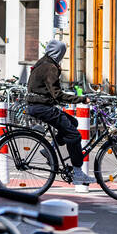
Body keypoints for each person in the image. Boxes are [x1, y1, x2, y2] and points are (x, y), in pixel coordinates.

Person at [25, 40, 93, 186]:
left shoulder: (42, 63)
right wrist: (81, 99)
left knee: (73, 122)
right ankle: (78, 173)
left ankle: (50, 149)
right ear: (59, 53)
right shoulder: (50, 68)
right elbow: (57, 95)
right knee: (74, 135)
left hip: (36, 105)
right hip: (42, 107)